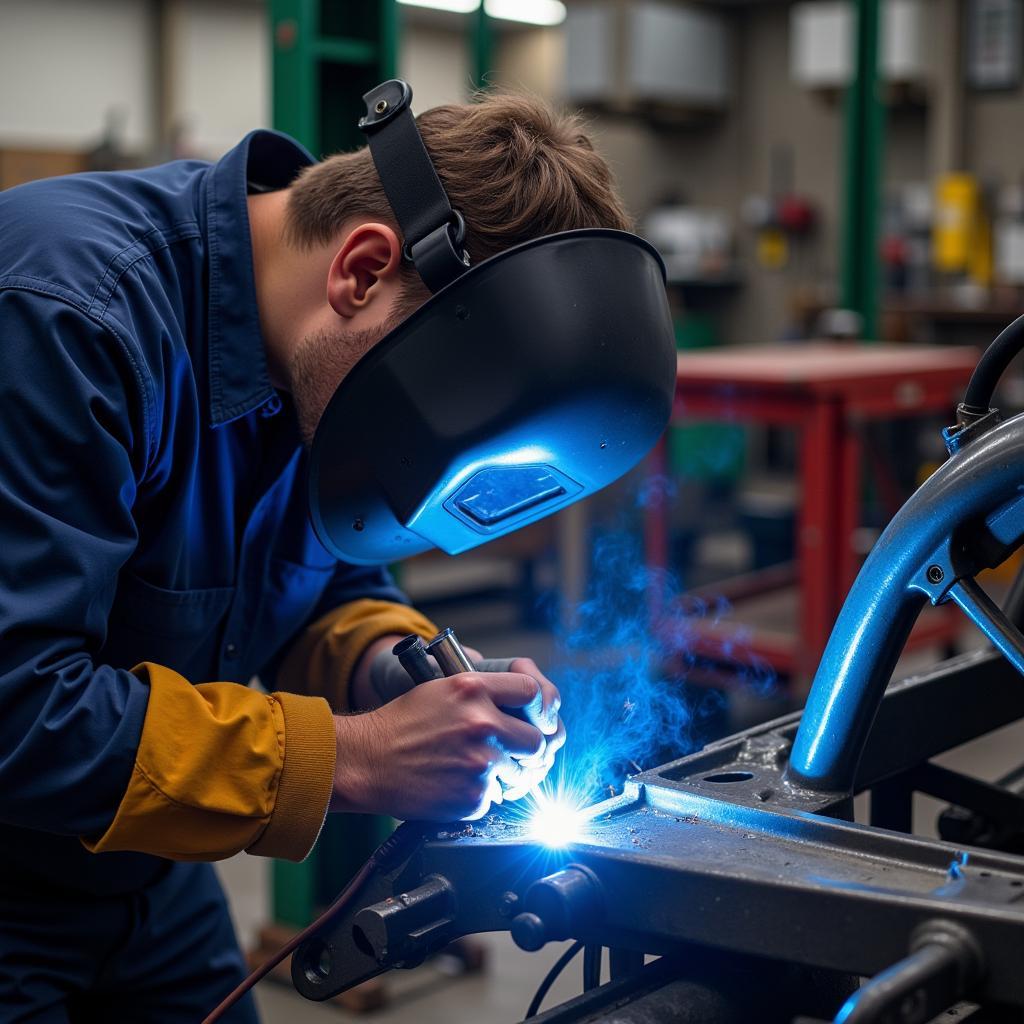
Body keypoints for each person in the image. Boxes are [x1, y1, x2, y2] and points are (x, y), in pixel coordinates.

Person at [0, 90, 632, 1021]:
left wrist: (403, 674)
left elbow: (324, 580)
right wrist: (356, 758)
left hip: (140, 863)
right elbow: (20, 705)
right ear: (364, 270)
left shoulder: (316, 354)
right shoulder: (64, 316)